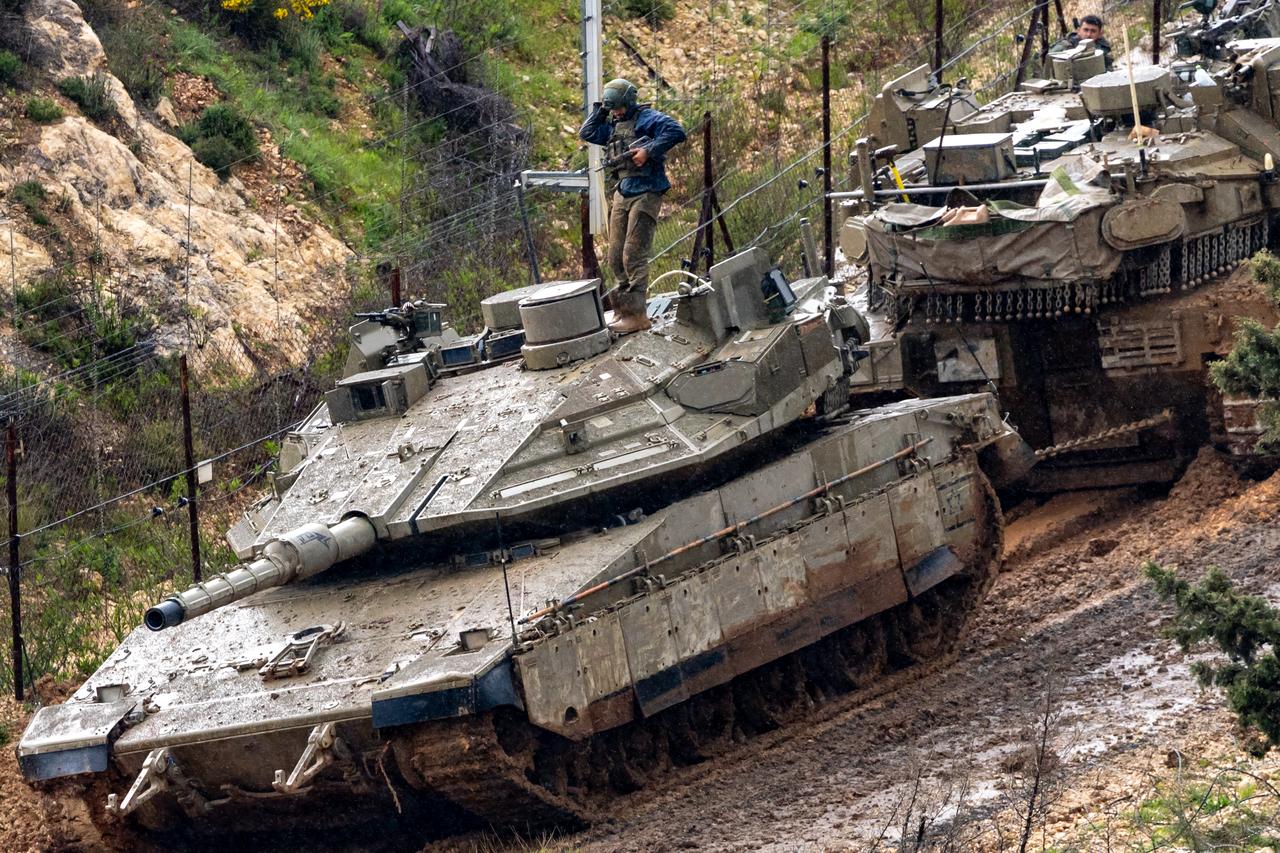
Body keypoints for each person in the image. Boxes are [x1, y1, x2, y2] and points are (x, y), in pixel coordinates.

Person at [580, 78, 687, 334]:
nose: (616, 113)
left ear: (629, 102)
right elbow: (588, 133)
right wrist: (601, 110)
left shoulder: (646, 119)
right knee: (615, 256)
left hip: (647, 191)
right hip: (623, 190)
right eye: (613, 109)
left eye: (619, 107)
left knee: (633, 255)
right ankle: (622, 311)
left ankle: (637, 315)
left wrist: (649, 151)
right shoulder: (612, 125)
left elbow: (676, 130)